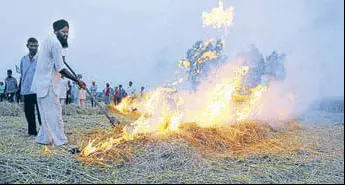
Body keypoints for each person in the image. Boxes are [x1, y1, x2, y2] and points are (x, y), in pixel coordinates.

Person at [30, 19, 86, 146]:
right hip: (48, 85)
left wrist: (59, 58)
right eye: (63, 32)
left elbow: (54, 61)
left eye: (67, 32)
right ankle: (60, 141)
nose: (66, 34)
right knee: (55, 115)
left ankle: (45, 139)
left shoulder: (47, 40)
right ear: (56, 31)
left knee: (45, 115)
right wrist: (77, 80)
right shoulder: (55, 44)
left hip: (41, 84)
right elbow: (60, 68)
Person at [18, 37, 42, 136]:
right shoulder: (23, 59)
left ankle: (44, 131)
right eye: (31, 46)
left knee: (41, 112)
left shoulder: (41, 58)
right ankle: (32, 132)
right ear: (27, 46)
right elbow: (22, 75)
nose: (33, 48)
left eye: (35, 46)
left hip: (39, 89)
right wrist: (20, 89)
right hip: (27, 90)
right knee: (28, 112)